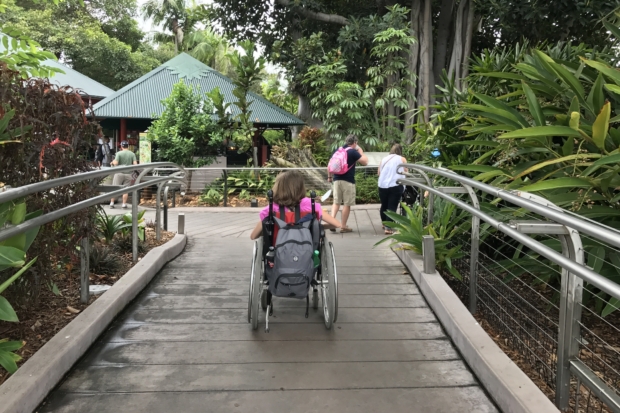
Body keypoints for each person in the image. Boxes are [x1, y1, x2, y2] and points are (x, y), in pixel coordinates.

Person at [250, 170, 342, 240]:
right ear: (301, 187)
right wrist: (316, 227)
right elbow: (337, 224)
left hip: (278, 253)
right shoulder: (311, 206)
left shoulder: (271, 209)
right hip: (306, 250)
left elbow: (253, 236)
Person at [327, 134, 368, 233]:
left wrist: (329, 177)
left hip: (336, 180)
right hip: (348, 181)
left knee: (336, 202)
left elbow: (329, 165)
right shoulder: (353, 152)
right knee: (347, 204)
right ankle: (343, 226)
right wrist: (361, 152)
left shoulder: (338, 150)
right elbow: (365, 162)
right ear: (355, 143)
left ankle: (332, 222)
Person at [378, 144, 408, 234]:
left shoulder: (383, 159)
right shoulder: (402, 159)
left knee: (384, 204)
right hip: (396, 185)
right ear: (400, 151)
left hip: (382, 185)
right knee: (392, 206)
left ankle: (384, 223)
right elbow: (406, 171)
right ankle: (388, 227)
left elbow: (379, 172)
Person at [109, 140, 138, 209]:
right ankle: (124, 204)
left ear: (121, 146)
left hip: (119, 173)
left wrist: (112, 162)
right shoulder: (132, 154)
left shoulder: (119, 153)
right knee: (126, 189)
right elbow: (135, 164)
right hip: (128, 174)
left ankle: (112, 203)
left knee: (114, 188)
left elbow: (116, 163)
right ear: (128, 146)